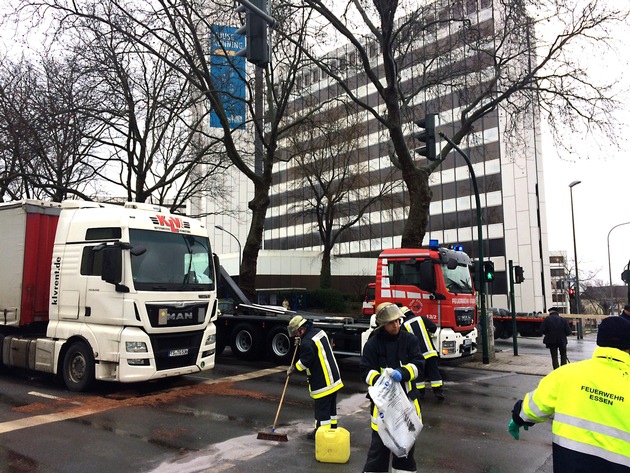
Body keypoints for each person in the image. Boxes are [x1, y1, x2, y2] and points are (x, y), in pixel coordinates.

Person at [508, 316, 630, 472]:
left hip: (570, 465)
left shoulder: (565, 375)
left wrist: (518, 418)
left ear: (599, 342)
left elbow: (534, 405)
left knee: (555, 358)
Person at [360, 303, 425, 473]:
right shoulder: (373, 344)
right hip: (383, 409)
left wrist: (403, 372)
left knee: (405, 455)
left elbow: (419, 364)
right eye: (391, 322)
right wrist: (381, 380)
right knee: (378, 455)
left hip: (407, 407)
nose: (396, 325)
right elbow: (365, 370)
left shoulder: (410, 340)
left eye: (398, 321)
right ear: (382, 325)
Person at [287, 315, 343, 440]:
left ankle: (321, 433)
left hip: (323, 382)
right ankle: (332, 430)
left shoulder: (306, 342)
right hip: (334, 377)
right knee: (331, 409)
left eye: (296, 333)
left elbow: (305, 363)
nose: (296, 336)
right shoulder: (319, 332)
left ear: (301, 329)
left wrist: (294, 368)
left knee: (321, 410)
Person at [401, 306, 445, 400]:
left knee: (419, 374)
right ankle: (438, 392)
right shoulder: (422, 319)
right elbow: (433, 328)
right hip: (430, 351)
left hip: (417, 355)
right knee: (434, 371)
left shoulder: (404, 326)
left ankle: (420, 393)